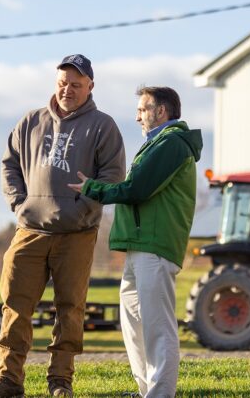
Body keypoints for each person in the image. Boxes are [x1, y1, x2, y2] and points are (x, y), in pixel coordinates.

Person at [0, 54, 126, 398]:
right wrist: (19, 203)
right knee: (15, 305)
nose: (67, 90)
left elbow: (114, 176)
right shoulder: (30, 121)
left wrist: (82, 206)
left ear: (90, 86)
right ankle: (8, 380)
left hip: (77, 233)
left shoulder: (103, 126)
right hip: (30, 231)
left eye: (75, 84)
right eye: (62, 83)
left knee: (70, 308)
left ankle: (60, 381)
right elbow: (9, 164)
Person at [69, 86, 202, 398]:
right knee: (134, 325)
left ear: (161, 112)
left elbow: (136, 189)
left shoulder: (171, 143)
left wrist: (93, 188)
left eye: (143, 109)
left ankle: (160, 394)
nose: (137, 116)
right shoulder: (158, 144)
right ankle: (147, 391)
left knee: (157, 325)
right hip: (139, 245)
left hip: (154, 247)